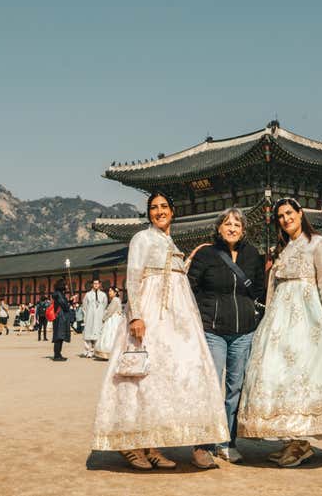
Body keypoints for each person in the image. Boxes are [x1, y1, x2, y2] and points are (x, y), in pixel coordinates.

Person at [92, 191, 228, 471]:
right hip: (151, 316)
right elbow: (133, 276)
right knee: (140, 377)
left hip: (176, 322)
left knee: (160, 379)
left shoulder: (169, 241)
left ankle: (150, 444)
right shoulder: (142, 238)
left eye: (164, 206)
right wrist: (136, 316)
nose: (159, 211)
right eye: (153, 207)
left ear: (173, 211)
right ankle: (130, 444)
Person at [238, 198, 322, 468]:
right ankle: (291, 440)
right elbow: (272, 287)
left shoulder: (318, 243)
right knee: (278, 372)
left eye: (289, 213)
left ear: (300, 213)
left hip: (308, 314)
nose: (285, 219)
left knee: (304, 371)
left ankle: (302, 443)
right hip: (280, 316)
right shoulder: (281, 250)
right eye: (280, 216)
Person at [187, 207, 265, 467]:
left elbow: (261, 291)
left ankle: (227, 442)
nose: (232, 228)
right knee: (210, 385)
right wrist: (201, 316)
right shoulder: (207, 254)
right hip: (213, 330)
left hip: (244, 330)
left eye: (237, 225)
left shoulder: (252, 255)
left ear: (244, 230)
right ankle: (203, 443)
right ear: (218, 227)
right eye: (227, 223)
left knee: (235, 389)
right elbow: (191, 287)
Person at [94, 286, 123, 360]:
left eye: (111, 291)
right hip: (115, 318)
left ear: (115, 292)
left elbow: (110, 311)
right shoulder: (116, 299)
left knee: (110, 334)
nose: (109, 293)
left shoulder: (115, 300)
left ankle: (110, 353)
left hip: (113, 319)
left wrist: (104, 318)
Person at [82, 280, 108, 358]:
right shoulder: (88, 294)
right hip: (89, 317)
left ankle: (95, 351)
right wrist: (86, 316)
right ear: (92, 285)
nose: (96, 285)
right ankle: (88, 351)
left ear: (100, 284)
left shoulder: (103, 295)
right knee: (88, 335)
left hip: (99, 317)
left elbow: (105, 305)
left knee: (97, 334)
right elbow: (84, 306)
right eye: (94, 283)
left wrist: (102, 315)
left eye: (97, 283)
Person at [51, 280, 75, 361]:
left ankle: (58, 354)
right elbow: (65, 306)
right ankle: (56, 355)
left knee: (60, 336)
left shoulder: (59, 294)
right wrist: (70, 302)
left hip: (60, 317)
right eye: (66, 285)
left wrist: (70, 301)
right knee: (59, 336)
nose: (67, 287)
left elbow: (64, 303)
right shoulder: (59, 294)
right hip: (60, 318)